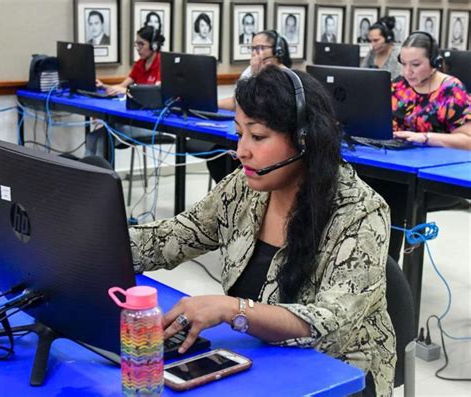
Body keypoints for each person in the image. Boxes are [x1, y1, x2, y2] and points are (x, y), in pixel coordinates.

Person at [130, 65, 396, 396]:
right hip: (260, 360)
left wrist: (233, 310)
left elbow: (330, 327)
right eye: (240, 133)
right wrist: (87, 242)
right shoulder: (243, 188)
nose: (242, 150)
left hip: (339, 377)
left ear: (304, 138)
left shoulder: (360, 212)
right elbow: (172, 238)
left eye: (257, 137)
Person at [365, 31, 471, 262]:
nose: (407, 72)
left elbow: (468, 141)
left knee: (390, 195)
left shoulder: (452, 90)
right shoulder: (398, 88)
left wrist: (425, 137)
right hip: (397, 166)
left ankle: (387, 269)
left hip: (433, 176)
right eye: (404, 64)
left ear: (434, 62)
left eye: (416, 64)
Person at [190, 30, 292, 184]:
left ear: (277, 50)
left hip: (263, 140)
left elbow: (263, 109)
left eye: (261, 48)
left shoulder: (286, 76)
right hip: (243, 133)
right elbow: (235, 101)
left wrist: (258, 75)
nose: (256, 53)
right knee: (216, 159)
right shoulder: (250, 71)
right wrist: (206, 103)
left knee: (225, 162)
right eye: (253, 49)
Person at [86, 26, 166, 157]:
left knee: (103, 140)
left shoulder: (162, 65)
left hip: (151, 124)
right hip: (134, 119)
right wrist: (104, 85)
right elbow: (122, 86)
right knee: (91, 137)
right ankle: (87, 175)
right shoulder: (140, 64)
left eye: (142, 44)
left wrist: (124, 90)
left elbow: (155, 96)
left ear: (155, 46)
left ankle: (102, 176)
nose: (138, 48)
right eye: (137, 44)